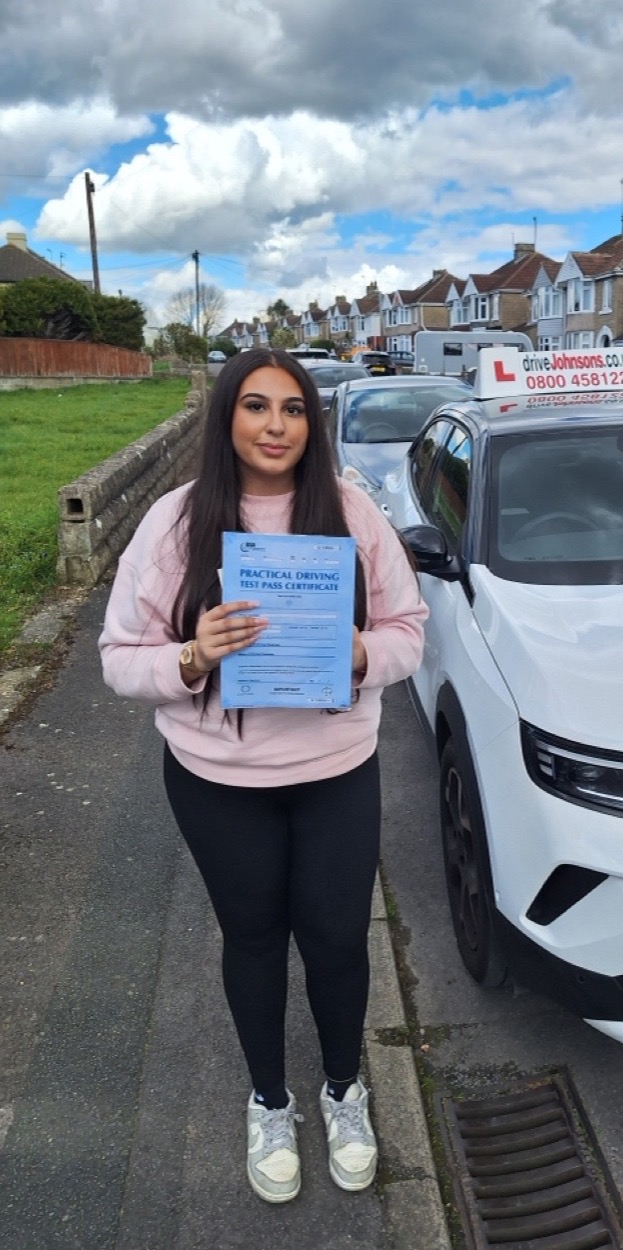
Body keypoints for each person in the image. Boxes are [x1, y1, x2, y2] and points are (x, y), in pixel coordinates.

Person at [99, 347, 427, 1204]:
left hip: (334, 774)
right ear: (226, 418)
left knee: (335, 940)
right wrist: (191, 656)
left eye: (292, 408)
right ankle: (270, 1100)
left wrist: (360, 651)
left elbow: (410, 630)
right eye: (255, 406)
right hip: (217, 782)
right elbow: (117, 659)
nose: (275, 425)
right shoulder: (176, 523)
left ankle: (344, 1091)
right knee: (252, 940)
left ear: (312, 423)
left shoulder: (352, 514)